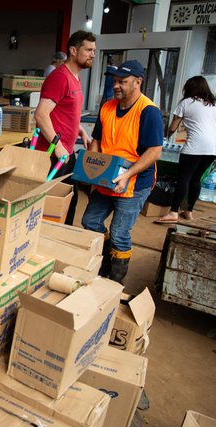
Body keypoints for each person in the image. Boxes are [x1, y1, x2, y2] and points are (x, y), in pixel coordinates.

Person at [81, 60, 164, 285]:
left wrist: (127, 175)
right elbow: (97, 140)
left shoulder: (148, 112)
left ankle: (114, 282)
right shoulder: (107, 107)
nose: (116, 86)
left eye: (122, 82)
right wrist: (93, 168)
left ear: (138, 82)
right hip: (106, 178)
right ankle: (105, 261)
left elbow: (154, 151)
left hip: (134, 182)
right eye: (115, 81)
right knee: (90, 221)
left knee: (119, 233)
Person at [34, 30, 96, 225]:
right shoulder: (60, 77)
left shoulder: (75, 78)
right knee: (52, 210)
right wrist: (58, 145)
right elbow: (41, 114)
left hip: (66, 154)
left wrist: (80, 130)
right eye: (88, 50)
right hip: (53, 155)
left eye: (94, 50)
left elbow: (65, 112)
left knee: (69, 203)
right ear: (73, 50)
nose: (92, 54)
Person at [155, 76, 216, 224]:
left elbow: (173, 127)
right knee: (196, 178)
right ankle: (189, 211)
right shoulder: (215, 104)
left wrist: (165, 135)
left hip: (196, 145)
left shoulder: (186, 102)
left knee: (184, 178)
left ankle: (173, 212)